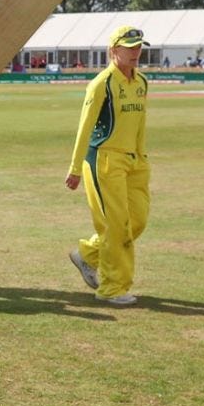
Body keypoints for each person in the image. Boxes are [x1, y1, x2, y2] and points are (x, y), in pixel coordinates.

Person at [65, 25, 151, 307]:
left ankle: (88, 254)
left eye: (139, 46)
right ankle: (113, 287)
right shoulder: (102, 83)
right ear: (114, 50)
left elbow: (140, 123)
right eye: (130, 47)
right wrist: (75, 168)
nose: (136, 52)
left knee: (136, 221)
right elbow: (85, 126)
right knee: (116, 226)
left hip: (134, 162)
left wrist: (140, 155)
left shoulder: (141, 82)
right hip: (104, 160)